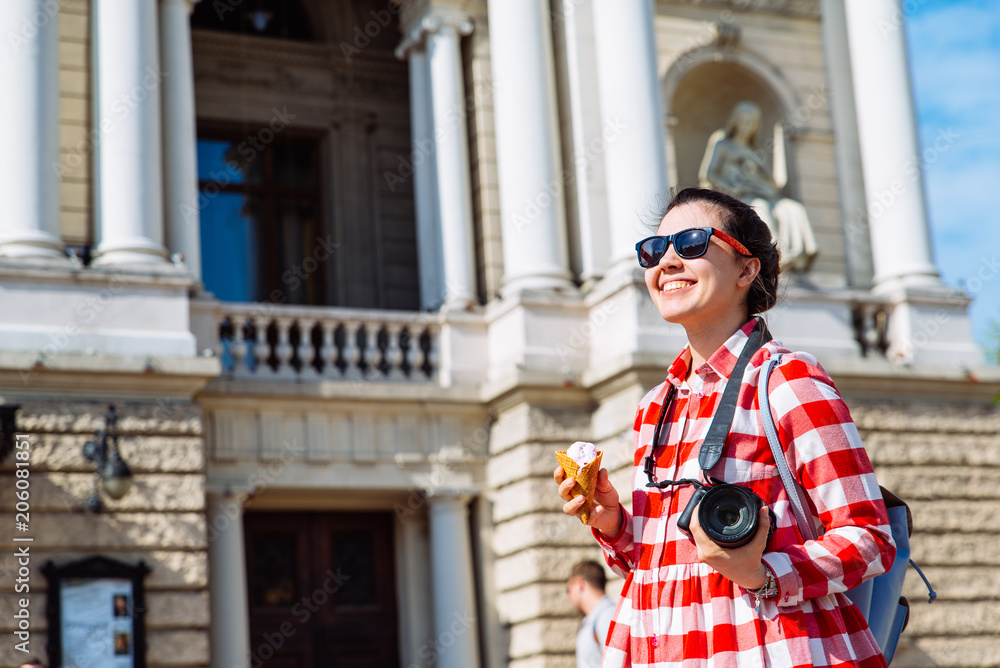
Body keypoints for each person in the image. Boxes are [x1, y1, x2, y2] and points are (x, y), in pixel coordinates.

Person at [554, 187, 895, 667]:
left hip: (766, 647)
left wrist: (763, 572)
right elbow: (657, 563)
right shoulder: (654, 406)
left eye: (691, 242)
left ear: (746, 268)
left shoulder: (787, 380)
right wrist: (612, 523)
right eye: (654, 251)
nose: (667, 261)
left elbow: (871, 538)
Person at [700, 101, 818, 272]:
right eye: (745, 120)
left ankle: (797, 257)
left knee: (793, 209)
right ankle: (777, 254)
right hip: (734, 196)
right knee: (759, 207)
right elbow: (709, 174)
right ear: (736, 121)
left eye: (753, 122)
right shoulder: (723, 144)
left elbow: (772, 183)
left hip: (758, 193)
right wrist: (730, 188)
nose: (749, 126)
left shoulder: (754, 153)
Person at [568, 560, 616, 668]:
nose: (569, 595)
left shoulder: (607, 616)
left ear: (579, 584)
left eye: (568, 590)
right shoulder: (595, 619)